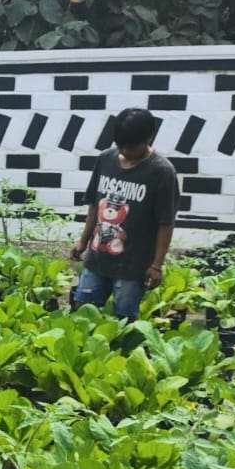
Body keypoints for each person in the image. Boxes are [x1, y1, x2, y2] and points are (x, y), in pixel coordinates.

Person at [69, 108, 179, 319]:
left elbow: (166, 222)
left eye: (131, 146)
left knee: (124, 319)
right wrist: (83, 241)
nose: (125, 151)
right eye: (121, 145)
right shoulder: (105, 160)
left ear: (150, 137)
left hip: (132, 266)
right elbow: (94, 205)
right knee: (82, 311)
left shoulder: (161, 172)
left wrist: (156, 265)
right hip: (97, 258)